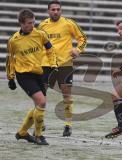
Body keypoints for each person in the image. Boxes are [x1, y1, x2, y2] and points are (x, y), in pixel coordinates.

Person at [6, 9, 57, 145]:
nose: (32, 25)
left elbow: (50, 49)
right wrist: (10, 78)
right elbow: (10, 60)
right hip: (23, 75)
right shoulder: (13, 41)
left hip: (38, 73)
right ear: (21, 23)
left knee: (39, 105)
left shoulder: (40, 34)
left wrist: (53, 64)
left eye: (33, 22)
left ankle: (22, 132)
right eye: (29, 23)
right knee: (41, 102)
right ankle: (39, 136)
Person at [38, 0, 87, 137]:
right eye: (53, 9)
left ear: (61, 10)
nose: (56, 11)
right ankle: (40, 122)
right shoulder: (42, 25)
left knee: (66, 94)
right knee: (41, 94)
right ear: (48, 11)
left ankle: (68, 125)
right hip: (46, 63)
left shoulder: (68, 23)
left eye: (58, 9)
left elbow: (82, 38)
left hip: (65, 63)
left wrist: (78, 50)